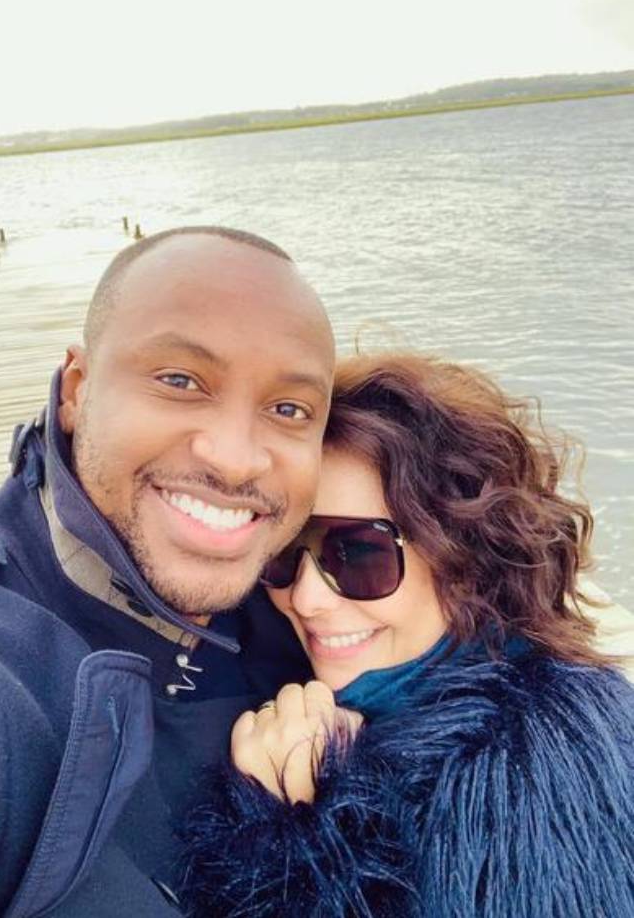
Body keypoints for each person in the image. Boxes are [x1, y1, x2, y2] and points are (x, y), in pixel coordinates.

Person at [0, 226, 335, 917]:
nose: (236, 458)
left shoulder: (318, 600)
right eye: (180, 381)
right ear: (77, 389)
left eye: (288, 409)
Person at [179, 352, 634, 918]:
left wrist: (287, 838)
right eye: (284, 550)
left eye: (357, 553)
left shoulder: (519, 780)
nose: (306, 597)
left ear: (463, 557)